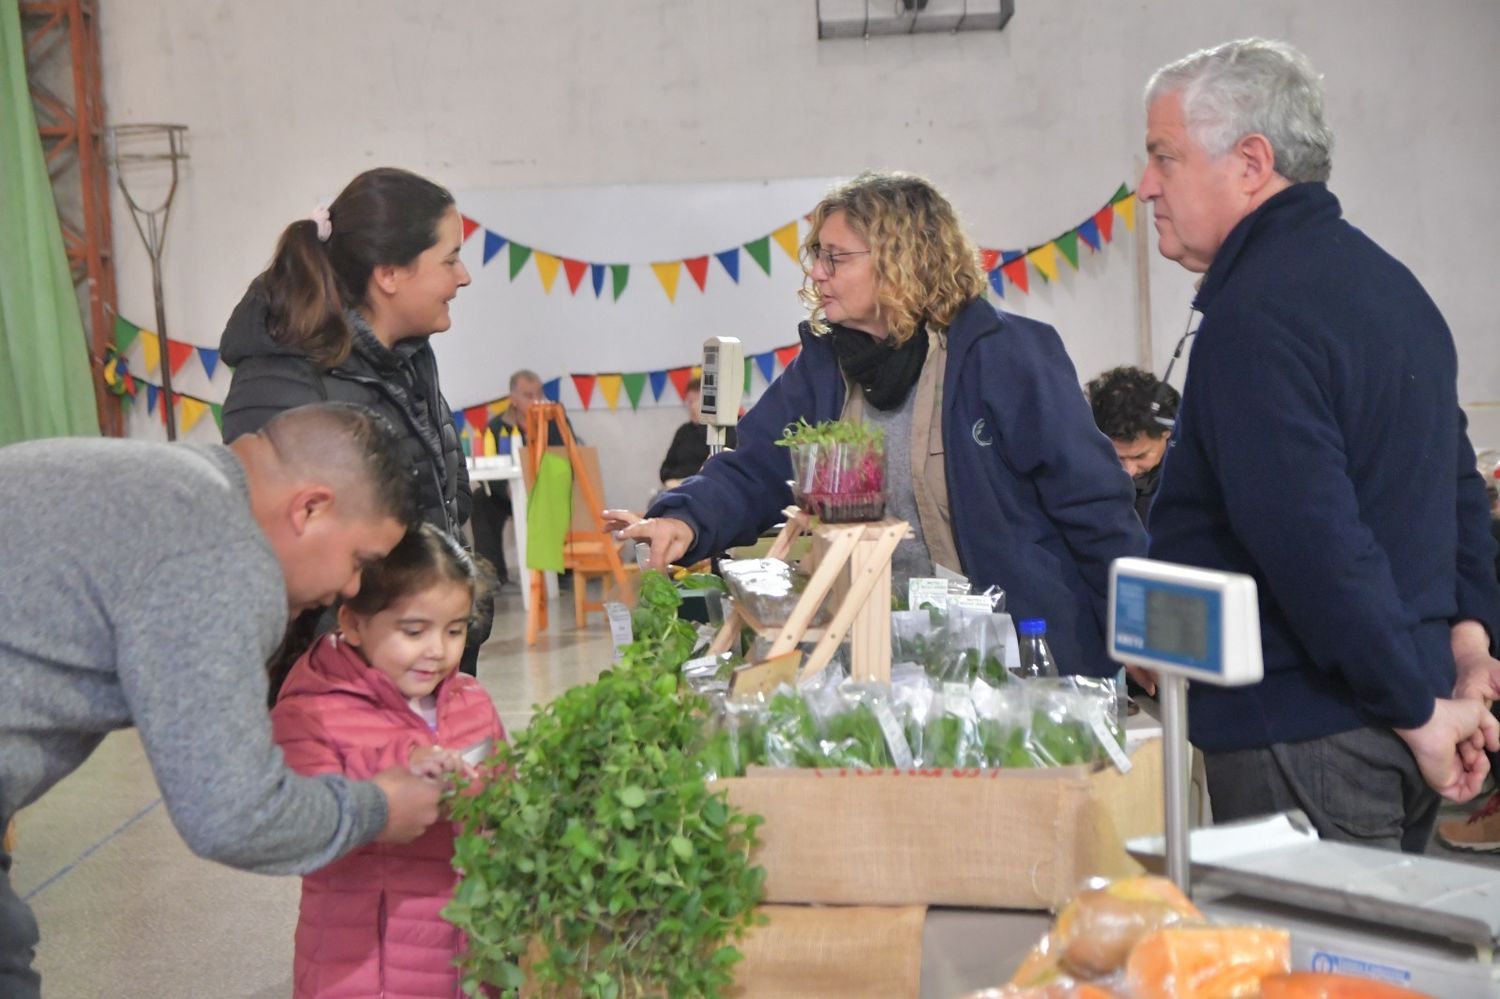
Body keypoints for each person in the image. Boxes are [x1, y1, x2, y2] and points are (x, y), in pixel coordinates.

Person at [1137, 38, 1500, 851]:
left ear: (1252, 161)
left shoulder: (1256, 317)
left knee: (1315, 975)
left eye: (1165, 156)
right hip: (1393, 716)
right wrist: (1468, 650)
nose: (1146, 186)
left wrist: (1420, 710)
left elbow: (1314, 546)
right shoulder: (1393, 287)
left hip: (1306, 734)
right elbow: (1456, 488)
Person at [615, 172, 1146, 677]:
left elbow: (1093, 506)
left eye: (835, 257)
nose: (817, 273)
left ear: (901, 261)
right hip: (882, 656)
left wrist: (1136, 630)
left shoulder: (1007, 356)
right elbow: (752, 466)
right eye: (816, 256)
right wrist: (684, 518)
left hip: (1021, 656)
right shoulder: (825, 369)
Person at [0, 403, 447, 998]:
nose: (350, 589)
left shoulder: (177, 486)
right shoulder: (221, 550)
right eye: (360, 561)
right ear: (310, 508)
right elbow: (233, 815)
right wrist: (376, 810)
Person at [218, 166, 490, 677]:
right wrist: (360, 681)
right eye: (449, 259)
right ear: (389, 274)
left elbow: (442, 500)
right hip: (338, 691)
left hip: (413, 669)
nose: (463, 276)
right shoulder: (284, 377)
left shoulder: (408, 359)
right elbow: (281, 555)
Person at [272, 524, 506, 999]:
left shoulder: (470, 700)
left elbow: (505, 800)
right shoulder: (312, 710)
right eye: (414, 631)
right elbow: (300, 824)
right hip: (365, 971)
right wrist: (403, 767)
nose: (438, 651)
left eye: (455, 630)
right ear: (353, 622)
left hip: (467, 960)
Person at [471, 368, 582, 590]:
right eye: (528, 395)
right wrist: (507, 491)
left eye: (538, 393)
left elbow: (567, 458)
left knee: (562, 501)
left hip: (547, 492)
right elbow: (492, 467)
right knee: (480, 500)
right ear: (513, 398)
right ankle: (492, 573)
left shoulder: (555, 420)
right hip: (510, 494)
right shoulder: (496, 427)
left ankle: (559, 572)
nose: (536, 400)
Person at [1085, 365, 1178, 523]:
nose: (1129, 471)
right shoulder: (1082, 470)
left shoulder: (1193, 476)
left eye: (1140, 456)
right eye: (1117, 457)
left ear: (1167, 434)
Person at [659, 375, 736, 488]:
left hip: (704, 487)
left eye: (695, 401)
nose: (692, 406)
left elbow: (724, 465)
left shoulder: (724, 430)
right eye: (689, 402)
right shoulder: (683, 431)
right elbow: (666, 468)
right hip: (678, 485)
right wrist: (670, 481)